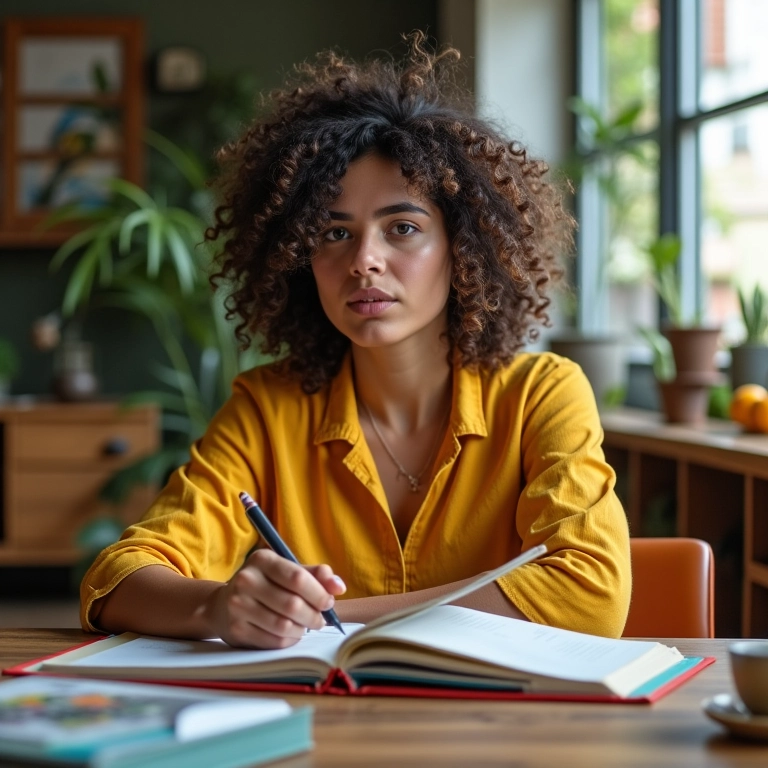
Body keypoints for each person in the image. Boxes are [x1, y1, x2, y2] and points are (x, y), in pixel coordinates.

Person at [81, 33, 631, 649]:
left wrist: (340, 619)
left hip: (499, 736)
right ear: (298, 256)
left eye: (402, 228)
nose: (365, 261)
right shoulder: (269, 409)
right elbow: (117, 578)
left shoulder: (541, 395)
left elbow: (591, 593)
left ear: (465, 247)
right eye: (333, 233)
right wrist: (219, 607)